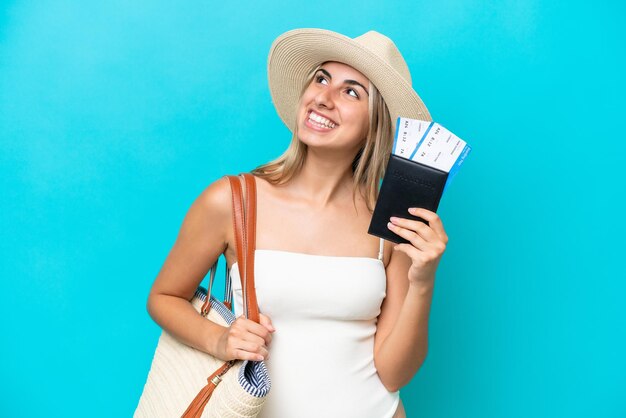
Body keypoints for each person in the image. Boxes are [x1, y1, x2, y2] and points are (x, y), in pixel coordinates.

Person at [146, 28, 448, 418]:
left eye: (351, 91)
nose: (323, 97)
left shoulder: (390, 222)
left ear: (376, 123)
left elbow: (393, 374)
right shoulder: (233, 201)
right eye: (321, 79)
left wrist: (423, 281)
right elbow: (164, 297)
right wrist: (219, 340)